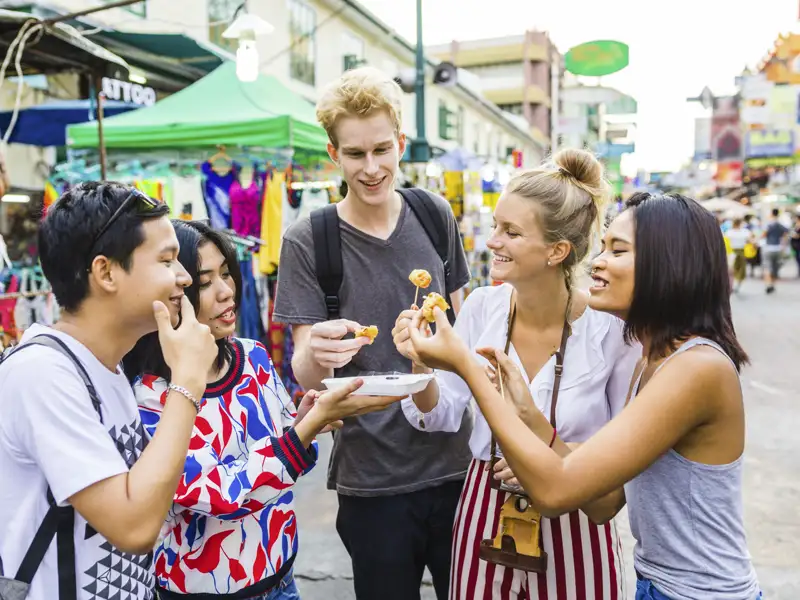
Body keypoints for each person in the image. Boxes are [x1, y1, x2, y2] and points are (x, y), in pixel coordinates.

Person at [406, 192, 762, 600]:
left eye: (618, 250)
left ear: (669, 265)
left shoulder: (695, 368)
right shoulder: (654, 360)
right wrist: (531, 416)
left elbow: (556, 492)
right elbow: (602, 504)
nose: (596, 261)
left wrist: (467, 367)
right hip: (660, 584)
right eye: (603, 246)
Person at [393, 149, 639, 599]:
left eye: (511, 232)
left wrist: (554, 464)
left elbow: (624, 462)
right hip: (484, 509)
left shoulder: (612, 331)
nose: (492, 242)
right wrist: (422, 363)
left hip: (577, 520)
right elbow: (443, 413)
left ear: (556, 251)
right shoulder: (483, 307)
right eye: (495, 227)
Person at [273, 67, 472, 599]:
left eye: (382, 150)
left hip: (455, 463)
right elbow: (303, 367)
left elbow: (464, 332)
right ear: (333, 154)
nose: (371, 168)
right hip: (373, 476)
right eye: (355, 154)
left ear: (401, 143)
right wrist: (318, 352)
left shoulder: (435, 216)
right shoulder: (309, 241)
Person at [124, 220, 401, 599]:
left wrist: (304, 423)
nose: (226, 292)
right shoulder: (154, 398)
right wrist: (307, 428)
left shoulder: (251, 356)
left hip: (282, 579)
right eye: (205, 282)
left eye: (226, 273)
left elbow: (288, 463)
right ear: (173, 294)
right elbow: (217, 496)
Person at [0, 182, 218, 600]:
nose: (184, 277)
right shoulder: (42, 374)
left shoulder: (105, 367)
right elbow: (134, 527)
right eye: (167, 260)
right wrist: (187, 382)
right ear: (105, 272)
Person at [762, 208, 789, 293]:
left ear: (771, 213)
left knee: (767, 267)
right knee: (775, 268)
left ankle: (769, 284)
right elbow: (786, 233)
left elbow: (764, 234)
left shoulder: (768, 224)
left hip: (768, 247)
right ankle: (773, 285)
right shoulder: (781, 224)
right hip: (778, 248)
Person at [726, 218, 752, 293]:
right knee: (741, 269)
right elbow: (750, 240)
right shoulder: (745, 232)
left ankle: (731, 285)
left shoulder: (729, 232)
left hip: (731, 252)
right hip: (741, 251)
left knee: (731, 269)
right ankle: (737, 285)